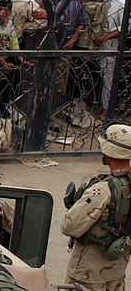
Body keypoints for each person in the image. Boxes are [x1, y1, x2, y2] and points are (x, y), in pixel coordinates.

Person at [62, 124, 131, 291]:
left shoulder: (101, 191)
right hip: (116, 269)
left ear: (109, 153)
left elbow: (68, 227)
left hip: (88, 273)